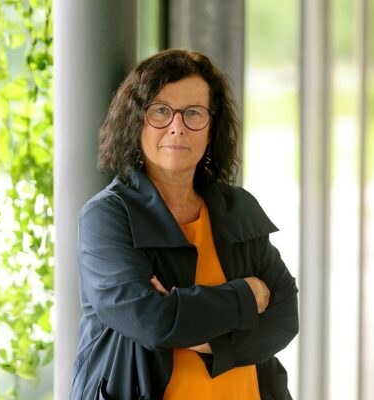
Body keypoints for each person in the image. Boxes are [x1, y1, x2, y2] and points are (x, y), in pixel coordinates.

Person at [70, 49, 299, 400]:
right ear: (137, 121)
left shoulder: (238, 207)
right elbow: (152, 322)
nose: (177, 126)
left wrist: (199, 336)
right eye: (161, 111)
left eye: (193, 113)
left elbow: (284, 319)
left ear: (211, 127)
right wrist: (245, 297)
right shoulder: (107, 216)